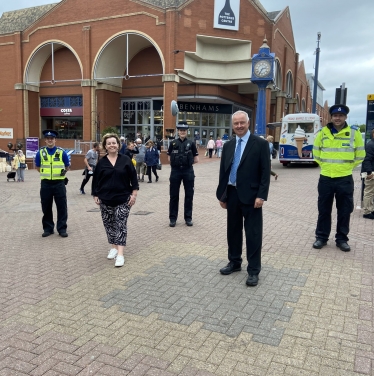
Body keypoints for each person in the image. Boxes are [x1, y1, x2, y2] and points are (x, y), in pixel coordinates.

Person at [216, 111, 270, 287]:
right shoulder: (228, 145)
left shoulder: (260, 144)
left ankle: (253, 270)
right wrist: (222, 194)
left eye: (242, 123)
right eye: (236, 123)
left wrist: (262, 195)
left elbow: (265, 172)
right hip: (232, 194)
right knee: (233, 230)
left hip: (253, 197)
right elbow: (223, 171)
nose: (239, 126)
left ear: (249, 123)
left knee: (253, 234)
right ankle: (234, 262)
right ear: (232, 125)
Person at [312, 104, 365, 252]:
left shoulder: (354, 133)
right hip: (326, 178)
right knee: (323, 209)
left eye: (340, 115)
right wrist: (324, 165)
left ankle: (342, 239)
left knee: (344, 210)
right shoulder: (322, 133)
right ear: (331, 117)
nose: (337, 118)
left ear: (345, 117)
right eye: (335, 115)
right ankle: (321, 237)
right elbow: (316, 152)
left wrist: (347, 167)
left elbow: (360, 155)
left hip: (344, 178)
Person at [92, 133, 139, 267]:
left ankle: (120, 254)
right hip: (105, 199)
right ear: (105, 146)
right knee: (109, 225)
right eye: (109, 143)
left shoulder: (125, 160)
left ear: (118, 145)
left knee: (120, 225)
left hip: (123, 199)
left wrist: (134, 195)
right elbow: (96, 181)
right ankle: (113, 247)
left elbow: (134, 179)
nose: (112, 145)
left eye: (114, 143)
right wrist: (95, 194)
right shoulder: (101, 163)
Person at [35, 130, 70, 238]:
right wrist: (45, 174)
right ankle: (48, 228)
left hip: (59, 183)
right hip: (46, 184)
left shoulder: (61, 152)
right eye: (48, 138)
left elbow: (67, 166)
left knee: (62, 207)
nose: (50, 140)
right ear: (45, 140)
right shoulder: (40, 152)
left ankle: (62, 228)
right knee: (46, 206)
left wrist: (62, 175)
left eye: (52, 138)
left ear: (55, 140)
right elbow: (37, 166)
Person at [167, 122, 199, 227]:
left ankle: (188, 218)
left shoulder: (191, 143)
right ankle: (172, 218)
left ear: (187, 131)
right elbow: (169, 158)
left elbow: (196, 159)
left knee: (189, 195)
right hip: (175, 171)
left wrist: (186, 163)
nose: (182, 132)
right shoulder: (173, 143)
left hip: (188, 171)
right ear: (178, 131)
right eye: (180, 130)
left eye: (184, 130)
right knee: (173, 196)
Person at [361, 128, 374, 219]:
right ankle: (367, 212)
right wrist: (369, 173)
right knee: (369, 192)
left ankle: (371, 209)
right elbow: (366, 160)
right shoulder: (370, 145)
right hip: (371, 173)